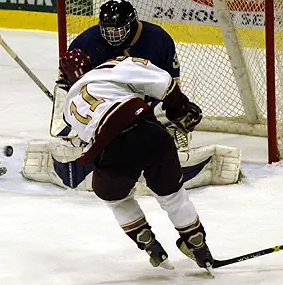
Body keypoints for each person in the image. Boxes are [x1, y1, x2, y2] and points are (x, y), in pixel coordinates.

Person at [23, 0, 241, 191]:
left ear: (132, 23)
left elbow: (171, 82)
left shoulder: (158, 40)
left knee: (152, 128)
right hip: (108, 106)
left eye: (118, 31)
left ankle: (156, 137)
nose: (112, 37)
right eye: (107, 31)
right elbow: (67, 83)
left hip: (143, 103)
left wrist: (175, 109)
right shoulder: (87, 41)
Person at [61, 49, 214, 273]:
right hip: (149, 132)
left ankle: (148, 243)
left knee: (115, 198)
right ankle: (197, 245)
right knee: (173, 196)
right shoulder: (109, 68)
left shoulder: (68, 108)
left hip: (114, 151)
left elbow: (81, 141)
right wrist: (178, 107)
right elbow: (164, 83)